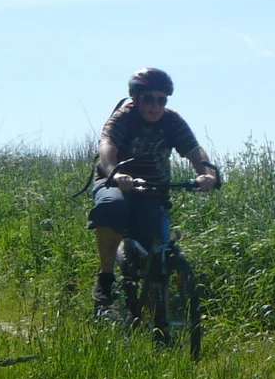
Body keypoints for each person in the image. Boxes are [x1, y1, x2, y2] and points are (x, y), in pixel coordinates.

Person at [88, 67, 220, 311]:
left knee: (155, 252)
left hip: (153, 187)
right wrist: (116, 173)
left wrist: (207, 173)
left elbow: (194, 150)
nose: (155, 106)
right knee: (111, 207)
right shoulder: (122, 118)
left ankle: (156, 321)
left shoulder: (172, 121)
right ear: (136, 99)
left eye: (161, 100)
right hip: (115, 182)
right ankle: (105, 277)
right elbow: (107, 148)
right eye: (149, 99)